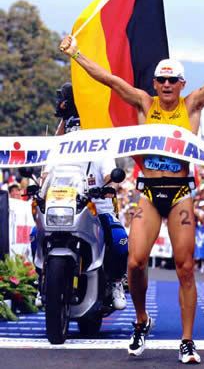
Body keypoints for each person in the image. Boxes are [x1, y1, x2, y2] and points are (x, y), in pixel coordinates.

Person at [59, 34, 204, 364]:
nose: (167, 85)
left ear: (182, 83)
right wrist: (77, 54)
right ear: (155, 83)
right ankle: (141, 320)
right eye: (162, 79)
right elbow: (110, 80)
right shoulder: (144, 103)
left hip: (181, 192)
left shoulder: (193, 104)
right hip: (151, 193)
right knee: (135, 261)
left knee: (185, 269)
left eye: (172, 80)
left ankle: (186, 340)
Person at [35, 83, 129, 311]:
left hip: (97, 206)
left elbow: (109, 172)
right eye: (72, 129)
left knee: (119, 241)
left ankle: (116, 282)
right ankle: (42, 282)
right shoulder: (59, 147)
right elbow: (46, 175)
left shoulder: (99, 144)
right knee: (34, 234)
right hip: (65, 208)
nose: (75, 133)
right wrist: (38, 187)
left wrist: (109, 181)